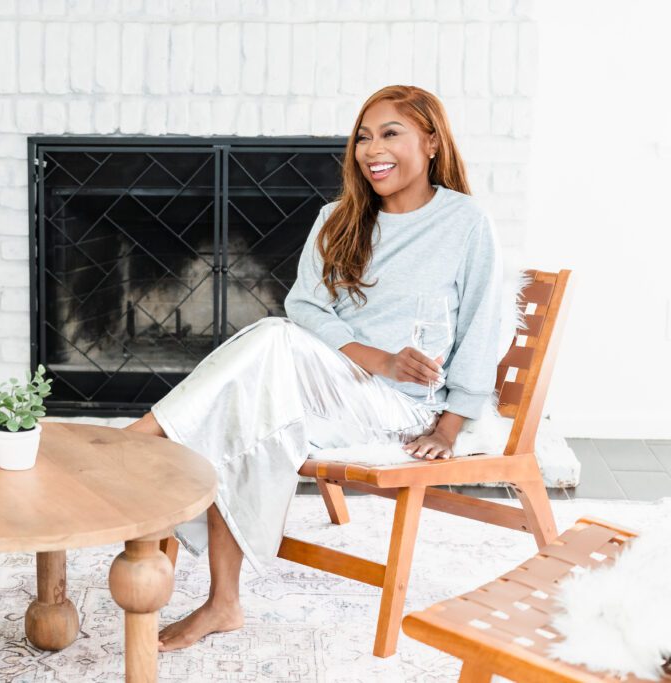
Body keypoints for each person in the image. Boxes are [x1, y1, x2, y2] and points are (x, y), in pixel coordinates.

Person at [124, 85, 504, 652]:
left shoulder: (465, 223)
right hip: (334, 387)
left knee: (273, 342)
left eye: (390, 133)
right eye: (363, 137)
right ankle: (223, 604)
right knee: (247, 405)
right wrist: (372, 356)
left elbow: (483, 326)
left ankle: (141, 442)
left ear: (431, 140)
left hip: (403, 407)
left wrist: (448, 426)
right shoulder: (339, 218)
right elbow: (305, 304)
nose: (371, 149)